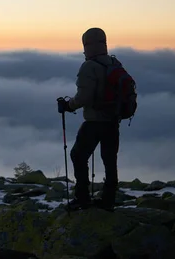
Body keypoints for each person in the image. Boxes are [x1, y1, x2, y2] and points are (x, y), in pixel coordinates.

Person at [57, 27, 123, 211]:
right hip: (113, 122)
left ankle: (82, 198)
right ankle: (108, 200)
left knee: (78, 156)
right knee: (110, 160)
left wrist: (68, 106)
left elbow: (84, 97)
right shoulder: (113, 63)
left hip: (94, 122)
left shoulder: (89, 66)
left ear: (86, 45)